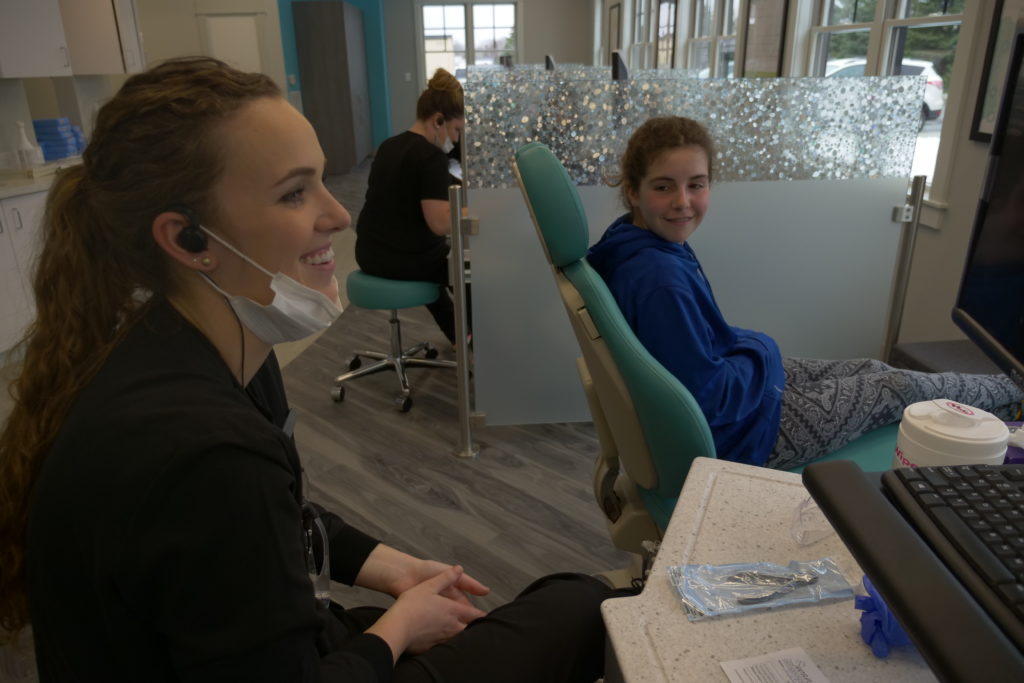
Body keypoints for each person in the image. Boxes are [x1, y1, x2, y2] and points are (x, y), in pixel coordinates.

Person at [0, 57, 627, 682]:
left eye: (323, 182)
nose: (338, 214)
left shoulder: (219, 352)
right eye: (295, 193)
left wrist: (395, 571)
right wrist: (400, 626)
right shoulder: (204, 455)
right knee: (581, 607)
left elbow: (283, 515)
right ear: (188, 239)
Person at [587, 116, 1024, 471]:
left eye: (696, 184)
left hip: (734, 401)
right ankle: (1014, 392)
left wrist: (753, 351)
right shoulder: (659, 279)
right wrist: (760, 348)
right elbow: (710, 400)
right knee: (895, 386)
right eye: (664, 187)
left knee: (871, 368)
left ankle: (1009, 392)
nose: (683, 201)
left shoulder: (635, 240)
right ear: (633, 191)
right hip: (743, 438)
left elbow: (697, 355)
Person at [355, 68, 468, 347]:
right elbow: (440, 224)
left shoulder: (390, 145)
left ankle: (461, 337)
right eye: (455, 130)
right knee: (468, 270)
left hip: (369, 252)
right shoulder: (430, 158)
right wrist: (482, 211)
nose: (455, 140)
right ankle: (483, 344)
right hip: (400, 260)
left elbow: (417, 184)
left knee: (438, 264)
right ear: (438, 120)